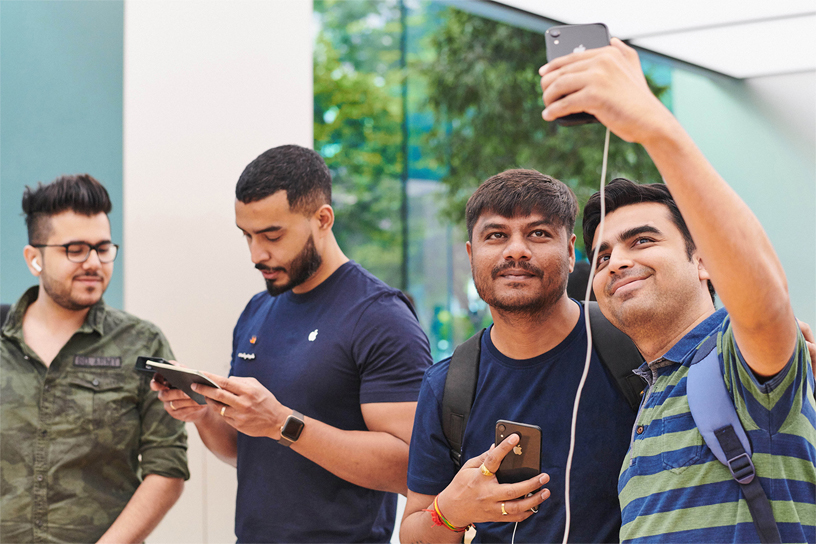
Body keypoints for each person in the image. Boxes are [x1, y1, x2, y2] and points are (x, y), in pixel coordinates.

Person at [539, 38, 815, 541]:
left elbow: (765, 301)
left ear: (704, 260)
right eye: (602, 256)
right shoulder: (650, 394)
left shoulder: (738, 358)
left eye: (642, 240)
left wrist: (653, 125)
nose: (617, 261)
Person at [153, 144, 433, 543]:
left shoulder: (380, 316)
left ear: (323, 219)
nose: (256, 254)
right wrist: (204, 415)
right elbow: (247, 451)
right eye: (247, 236)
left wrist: (282, 423)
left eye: (272, 235)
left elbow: (410, 468)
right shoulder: (257, 309)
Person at [400, 169, 638, 543]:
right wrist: (451, 511)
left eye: (538, 233)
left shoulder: (632, 346)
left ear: (571, 251)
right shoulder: (448, 385)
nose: (516, 250)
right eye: (496, 235)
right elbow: (413, 532)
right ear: (471, 255)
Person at [0, 174, 189, 543]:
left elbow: (167, 469)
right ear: (34, 258)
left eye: (102, 249)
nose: (93, 263)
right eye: (75, 249)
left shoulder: (142, 343)